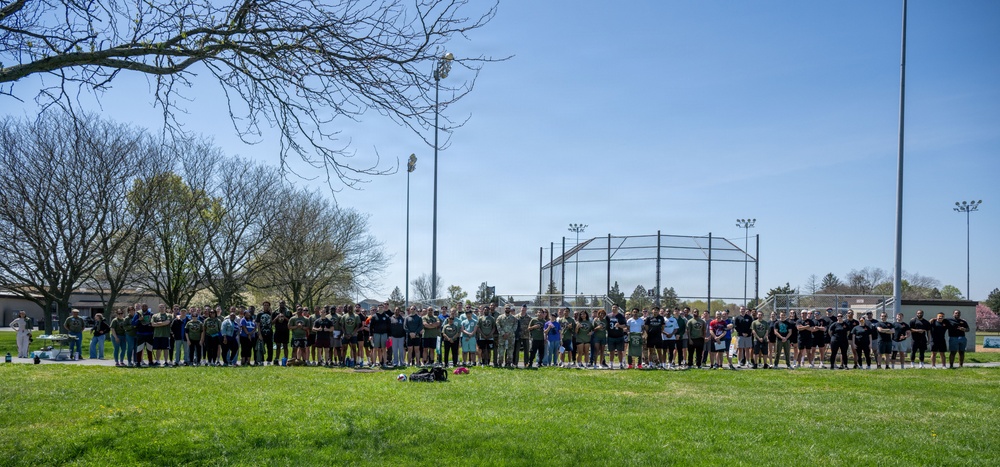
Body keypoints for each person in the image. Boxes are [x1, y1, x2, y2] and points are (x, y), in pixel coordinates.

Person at [606, 305, 627, 369]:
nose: (614, 308)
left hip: (619, 336)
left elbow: (625, 325)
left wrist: (619, 326)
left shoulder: (621, 316)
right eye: (613, 307)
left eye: (615, 307)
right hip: (611, 336)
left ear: (618, 308)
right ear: (611, 308)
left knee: (620, 351)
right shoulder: (608, 316)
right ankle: (611, 364)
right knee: (611, 351)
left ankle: (620, 364)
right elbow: (606, 325)